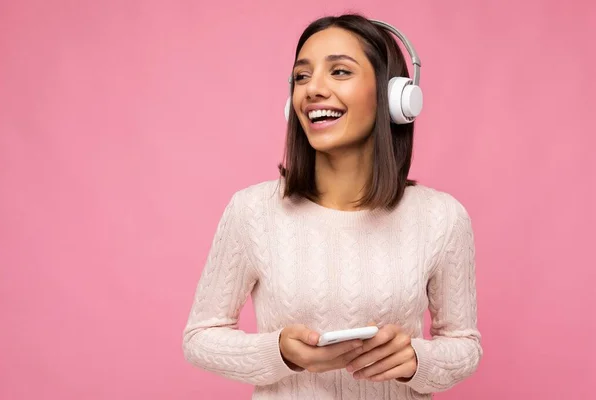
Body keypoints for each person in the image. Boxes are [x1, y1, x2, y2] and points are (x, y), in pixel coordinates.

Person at [182, 13, 482, 399]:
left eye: (339, 72)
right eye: (302, 77)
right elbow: (199, 338)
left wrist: (416, 360)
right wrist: (280, 353)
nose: (313, 89)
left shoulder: (441, 217)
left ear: (395, 96)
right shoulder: (252, 211)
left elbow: (464, 344)